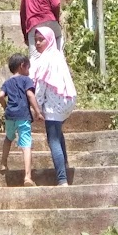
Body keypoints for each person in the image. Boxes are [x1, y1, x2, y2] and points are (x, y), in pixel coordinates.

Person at [30, 27, 77, 186]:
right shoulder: (57, 55)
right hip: (67, 101)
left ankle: (62, 179)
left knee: (53, 140)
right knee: (58, 134)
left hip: (54, 105)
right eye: (36, 40)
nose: (38, 43)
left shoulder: (45, 60)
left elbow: (40, 88)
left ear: (49, 40)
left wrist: (36, 108)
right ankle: (65, 166)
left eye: (41, 39)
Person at [0, 51, 42, 185]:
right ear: (22, 65)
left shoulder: (7, 82)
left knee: (8, 138)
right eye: (28, 67)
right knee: (26, 144)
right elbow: (30, 95)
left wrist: (5, 107)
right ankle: (27, 177)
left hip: (10, 116)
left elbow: (0, 96)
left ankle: (3, 163)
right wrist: (37, 112)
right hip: (23, 115)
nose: (29, 71)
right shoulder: (26, 80)